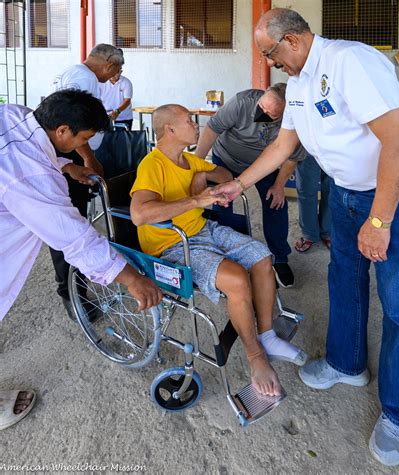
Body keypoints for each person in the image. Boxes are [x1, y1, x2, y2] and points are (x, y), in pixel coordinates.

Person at [212, 8, 399, 467]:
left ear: (292, 40)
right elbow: (281, 146)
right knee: (344, 280)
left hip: (397, 193)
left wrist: (379, 221)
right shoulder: (299, 83)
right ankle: (347, 364)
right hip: (349, 193)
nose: (269, 63)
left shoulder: (351, 62)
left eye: (270, 52)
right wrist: (239, 184)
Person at [0, 90, 162, 431]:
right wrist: (131, 277)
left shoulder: (15, 115)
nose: (83, 145)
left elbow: (25, 150)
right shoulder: (34, 180)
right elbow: (74, 238)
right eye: (83, 139)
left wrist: (67, 165)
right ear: (62, 131)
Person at [130, 104, 307, 397]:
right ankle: (256, 358)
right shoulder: (153, 164)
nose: (196, 125)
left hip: (202, 230)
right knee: (237, 278)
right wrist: (194, 201)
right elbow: (139, 214)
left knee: (262, 256)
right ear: (170, 130)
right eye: (189, 122)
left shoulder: (189, 160)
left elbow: (225, 174)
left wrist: (204, 179)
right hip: (172, 244)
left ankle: (267, 336)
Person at [194, 83, 307, 288]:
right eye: (262, 107)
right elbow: (213, 128)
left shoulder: (294, 121)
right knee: (223, 202)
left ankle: (280, 257)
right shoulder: (241, 102)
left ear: (284, 113)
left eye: (270, 114)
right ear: (262, 96)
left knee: (276, 203)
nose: (261, 114)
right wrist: (197, 166)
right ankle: (228, 256)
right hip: (227, 158)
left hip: (262, 165)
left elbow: (291, 157)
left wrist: (279, 185)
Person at [51, 43, 124, 319]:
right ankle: (72, 294)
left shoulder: (77, 73)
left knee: (74, 221)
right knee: (69, 224)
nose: (117, 74)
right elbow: (71, 124)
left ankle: (78, 283)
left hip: (68, 155)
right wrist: (88, 158)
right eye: (118, 68)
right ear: (109, 65)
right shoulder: (84, 79)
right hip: (70, 156)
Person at [294, 154, 332, 253]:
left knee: (332, 189)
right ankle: (309, 233)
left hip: (335, 143)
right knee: (306, 189)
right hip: (307, 144)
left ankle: (328, 230)